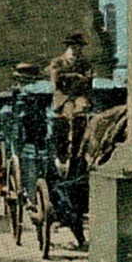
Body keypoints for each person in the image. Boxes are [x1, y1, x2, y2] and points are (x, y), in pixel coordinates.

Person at [47, 33, 94, 175]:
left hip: (78, 96)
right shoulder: (58, 62)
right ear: (70, 46)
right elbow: (55, 81)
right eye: (77, 46)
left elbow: (89, 81)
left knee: (83, 111)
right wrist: (74, 76)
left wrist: (85, 81)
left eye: (80, 47)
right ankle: (68, 150)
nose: (79, 50)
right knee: (69, 113)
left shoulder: (84, 63)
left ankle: (82, 147)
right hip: (64, 97)